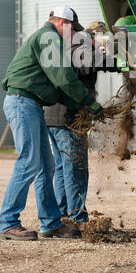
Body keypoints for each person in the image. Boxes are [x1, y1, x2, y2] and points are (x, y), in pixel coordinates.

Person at [0, 6, 103, 240]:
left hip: (32, 104)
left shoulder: (49, 40)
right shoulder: (48, 37)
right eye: (73, 29)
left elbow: (59, 89)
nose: (74, 35)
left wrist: (84, 106)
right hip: (23, 103)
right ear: (63, 23)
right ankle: (7, 222)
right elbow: (64, 78)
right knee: (28, 163)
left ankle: (51, 223)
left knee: (46, 166)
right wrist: (88, 101)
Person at [45, 20, 118, 225]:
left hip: (53, 117)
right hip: (70, 119)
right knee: (76, 168)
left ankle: (64, 215)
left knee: (62, 168)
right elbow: (89, 63)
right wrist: (120, 60)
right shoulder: (81, 43)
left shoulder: (71, 44)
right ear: (96, 36)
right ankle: (78, 218)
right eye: (104, 40)